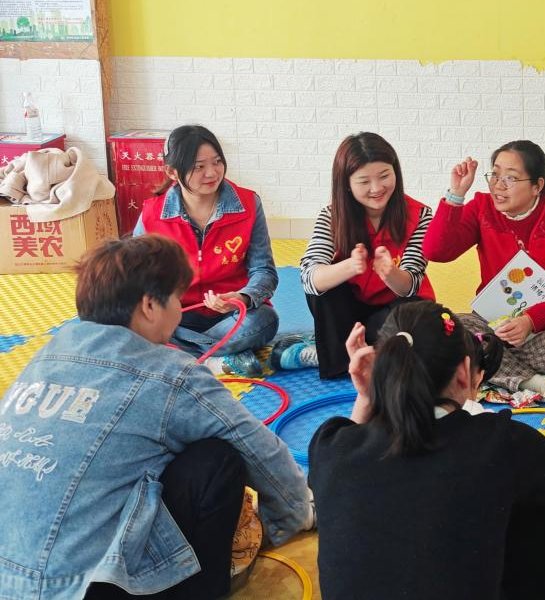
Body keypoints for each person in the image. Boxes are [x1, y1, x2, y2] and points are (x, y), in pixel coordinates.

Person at [0, 235, 312, 600]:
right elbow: (255, 446)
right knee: (217, 459)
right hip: (83, 586)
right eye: (177, 298)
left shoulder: (45, 355)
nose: (180, 310)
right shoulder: (168, 372)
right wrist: (302, 510)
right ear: (149, 305)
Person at [307, 301, 545, 600]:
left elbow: (352, 463)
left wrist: (367, 397)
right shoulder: (502, 443)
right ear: (465, 371)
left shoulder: (329, 445)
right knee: (543, 510)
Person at [423, 140, 545, 402]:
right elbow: (436, 251)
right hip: (497, 326)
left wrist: (530, 320)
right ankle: (535, 382)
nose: (498, 185)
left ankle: (484, 362)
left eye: (511, 178)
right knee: (448, 327)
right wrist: (456, 195)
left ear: (537, 186)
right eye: (495, 175)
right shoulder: (482, 208)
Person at [134, 125, 279, 377]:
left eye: (217, 162)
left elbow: (264, 270)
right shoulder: (152, 213)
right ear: (172, 171)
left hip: (231, 316)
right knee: (133, 324)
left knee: (266, 320)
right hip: (175, 316)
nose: (211, 173)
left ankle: (181, 356)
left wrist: (243, 298)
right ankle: (215, 360)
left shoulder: (248, 204)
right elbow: (134, 277)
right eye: (198, 166)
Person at [289, 132, 434, 379]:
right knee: (324, 289)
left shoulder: (420, 215)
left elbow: (410, 285)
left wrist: (390, 274)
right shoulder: (331, 217)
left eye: (384, 176)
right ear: (346, 183)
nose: (377, 188)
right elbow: (309, 278)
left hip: (393, 308)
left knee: (420, 322)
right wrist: (350, 266)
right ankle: (347, 358)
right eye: (364, 181)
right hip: (349, 314)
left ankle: (334, 352)